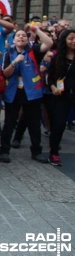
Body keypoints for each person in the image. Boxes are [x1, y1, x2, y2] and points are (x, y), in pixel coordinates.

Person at [0, 27, 53, 163]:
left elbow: (49, 43)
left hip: (32, 93)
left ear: (28, 39)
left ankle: (36, 151)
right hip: (13, 93)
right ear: (13, 39)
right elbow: (5, 73)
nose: (21, 37)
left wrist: (37, 30)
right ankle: (4, 151)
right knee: (9, 123)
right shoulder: (8, 53)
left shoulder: (33, 51)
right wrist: (15, 61)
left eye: (24, 36)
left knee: (34, 123)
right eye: (18, 36)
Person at [46, 30, 75, 165]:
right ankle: (54, 152)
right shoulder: (57, 57)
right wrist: (52, 87)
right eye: (71, 38)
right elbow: (50, 77)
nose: (74, 41)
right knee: (59, 124)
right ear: (64, 40)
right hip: (61, 95)